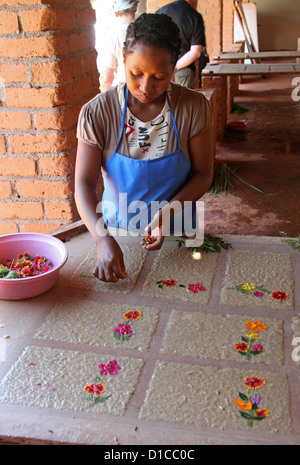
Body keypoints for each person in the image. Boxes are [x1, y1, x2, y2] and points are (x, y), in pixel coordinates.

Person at [75, 13, 214, 283]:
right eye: (136, 74)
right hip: (116, 231)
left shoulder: (194, 107)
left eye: (160, 77)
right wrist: (102, 240)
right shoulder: (98, 112)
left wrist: (165, 215)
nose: (145, 87)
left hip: (178, 230)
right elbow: (83, 183)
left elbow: (203, 174)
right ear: (123, 58)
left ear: (175, 68)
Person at [156, 0, 206, 88]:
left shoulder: (160, 12)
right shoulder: (194, 16)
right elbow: (196, 52)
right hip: (183, 71)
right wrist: (175, 67)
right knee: (182, 101)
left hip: (160, 71)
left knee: (164, 101)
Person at [96, 0, 140, 92]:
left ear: (116, 13)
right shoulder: (147, 30)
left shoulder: (112, 35)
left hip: (124, 92)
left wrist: (103, 101)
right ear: (135, 8)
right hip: (146, 92)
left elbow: (107, 78)